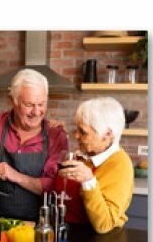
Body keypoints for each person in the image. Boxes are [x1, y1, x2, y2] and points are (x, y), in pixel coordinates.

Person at [0, 68, 68, 221]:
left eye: (41, 104)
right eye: (29, 104)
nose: (36, 112)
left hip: (37, 225)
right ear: (12, 101)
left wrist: (15, 176)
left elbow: (53, 186)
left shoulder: (56, 135)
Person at [55, 97, 134, 233]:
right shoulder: (83, 155)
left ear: (107, 134)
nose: (76, 136)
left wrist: (88, 180)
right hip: (67, 233)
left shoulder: (120, 164)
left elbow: (104, 224)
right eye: (77, 129)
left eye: (83, 132)